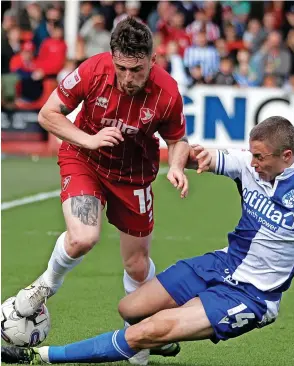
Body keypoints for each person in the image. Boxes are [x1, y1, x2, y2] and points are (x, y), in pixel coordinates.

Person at [3, 116, 294, 364]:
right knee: (130, 309)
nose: (252, 162)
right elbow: (195, 155)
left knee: (145, 330)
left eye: (259, 157)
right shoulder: (247, 165)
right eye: (251, 154)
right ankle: (158, 341)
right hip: (221, 264)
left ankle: (38, 356)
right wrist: (177, 162)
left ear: (287, 156)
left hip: (251, 296)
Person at [10, 17, 189, 363]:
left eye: (136, 69)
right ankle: (44, 286)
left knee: (137, 265)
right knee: (83, 237)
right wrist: (88, 140)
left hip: (133, 174)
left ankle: (142, 335)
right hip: (85, 159)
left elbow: (177, 139)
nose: (127, 78)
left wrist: (178, 166)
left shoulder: (167, 93)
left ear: (153, 60)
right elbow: (49, 115)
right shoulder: (93, 71)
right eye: (121, 67)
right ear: (111, 58)